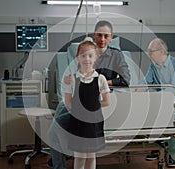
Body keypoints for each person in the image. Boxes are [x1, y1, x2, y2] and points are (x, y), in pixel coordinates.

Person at [48, 20, 131, 169]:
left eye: (106, 36)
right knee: (54, 131)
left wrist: (101, 82)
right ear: (94, 35)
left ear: (111, 37)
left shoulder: (116, 56)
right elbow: (74, 76)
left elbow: (126, 80)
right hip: (77, 99)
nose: (103, 39)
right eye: (99, 35)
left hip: (96, 101)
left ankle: (58, 158)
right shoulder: (84, 52)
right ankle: (58, 163)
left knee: (65, 136)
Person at [142, 38, 175, 167]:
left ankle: (173, 153)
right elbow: (146, 83)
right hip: (161, 101)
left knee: (169, 115)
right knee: (149, 111)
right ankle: (157, 147)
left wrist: (160, 98)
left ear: (161, 51)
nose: (148, 55)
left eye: (150, 52)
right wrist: (137, 90)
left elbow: (174, 87)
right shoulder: (153, 65)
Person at [64, 40, 110, 169]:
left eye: (90, 55)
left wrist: (92, 108)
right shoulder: (71, 79)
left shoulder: (100, 79)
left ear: (96, 57)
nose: (87, 59)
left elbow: (107, 101)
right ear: (77, 58)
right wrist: (80, 111)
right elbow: (68, 101)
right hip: (78, 123)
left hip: (94, 124)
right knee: (80, 157)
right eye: (83, 55)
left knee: (91, 157)